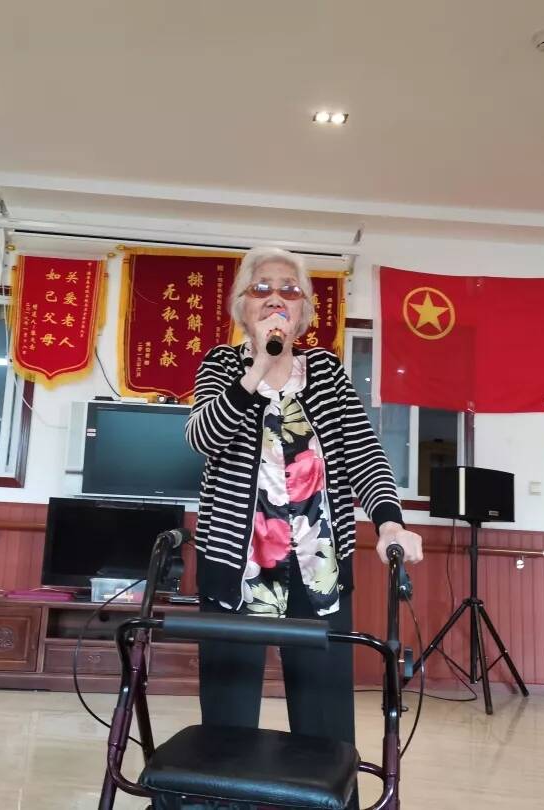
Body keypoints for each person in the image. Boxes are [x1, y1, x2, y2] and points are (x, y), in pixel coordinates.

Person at [185, 246, 424, 759]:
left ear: (304, 312)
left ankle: (325, 792)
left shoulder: (328, 372)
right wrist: (258, 368)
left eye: (289, 291)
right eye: (262, 288)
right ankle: (225, 791)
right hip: (238, 566)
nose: (276, 298)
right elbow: (203, 437)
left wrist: (389, 523)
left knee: (324, 720)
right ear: (243, 306)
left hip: (320, 566)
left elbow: (363, 452)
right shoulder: (222, 365)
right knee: (227, 718)